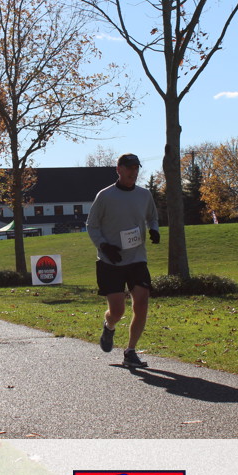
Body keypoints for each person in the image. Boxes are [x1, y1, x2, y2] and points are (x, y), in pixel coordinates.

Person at [86, 153, 160, 368]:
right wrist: (104, 246)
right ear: (119, 169)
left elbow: (152, 216)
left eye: (136, 168)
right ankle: (109, 326)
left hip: (137, 258)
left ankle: (130, 351)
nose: (133, 172)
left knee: (142, 303)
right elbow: (91, 225)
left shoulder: (144, 195)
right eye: (129, 168)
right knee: (118, 311)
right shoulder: (105, 196)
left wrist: (154, 229)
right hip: (110, 261)